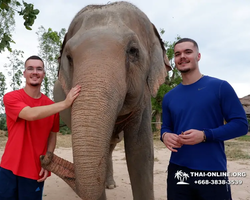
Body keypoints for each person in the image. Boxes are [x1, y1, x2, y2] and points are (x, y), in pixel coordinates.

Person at [161, 38, 248, 200]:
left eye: (188, 52)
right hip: (178, 171)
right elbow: (166, 126)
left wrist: (205, 135)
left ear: (198, 56)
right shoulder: (169, 97)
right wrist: (165, 136)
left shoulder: (220, 87)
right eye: (178, 54)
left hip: (212, 170)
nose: (182, 57)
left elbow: (241, 125)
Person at [0, 55, 81, 200]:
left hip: (34, 171)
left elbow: (52, 136)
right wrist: (64, 103)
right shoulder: (11, 97)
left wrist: (47, 161)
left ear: (44, 74)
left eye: (39, 69)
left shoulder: (51, 106)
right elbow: (30, 114)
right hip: (8, 169)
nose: (35, 72)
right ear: (24, 73)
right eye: (30, 68)